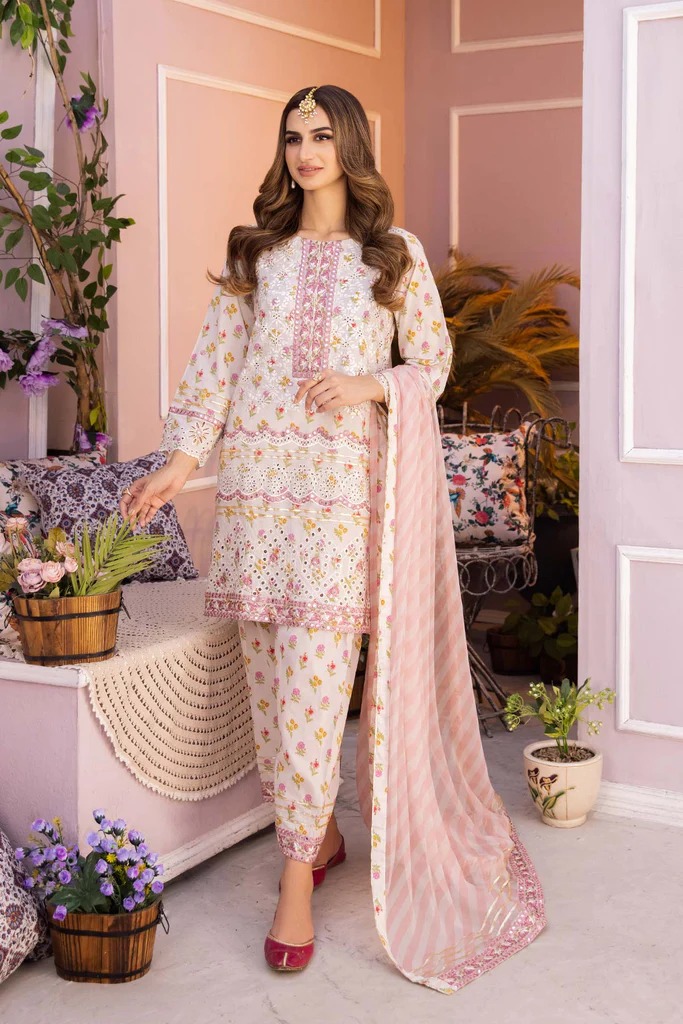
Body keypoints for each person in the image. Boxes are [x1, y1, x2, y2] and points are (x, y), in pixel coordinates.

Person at [121, 84, 546, 991]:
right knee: (268, 680)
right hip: (255, 495)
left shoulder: (392, 254)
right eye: (292, 136)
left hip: (339, 500)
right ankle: (315, 838)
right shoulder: (257, 253)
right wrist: (177, 463)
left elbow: (430, 362)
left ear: (349, 145)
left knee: (316, 687)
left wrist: (370, 385)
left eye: (320, 135)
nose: (305, 151)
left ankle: (293, 884)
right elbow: (215, 369)